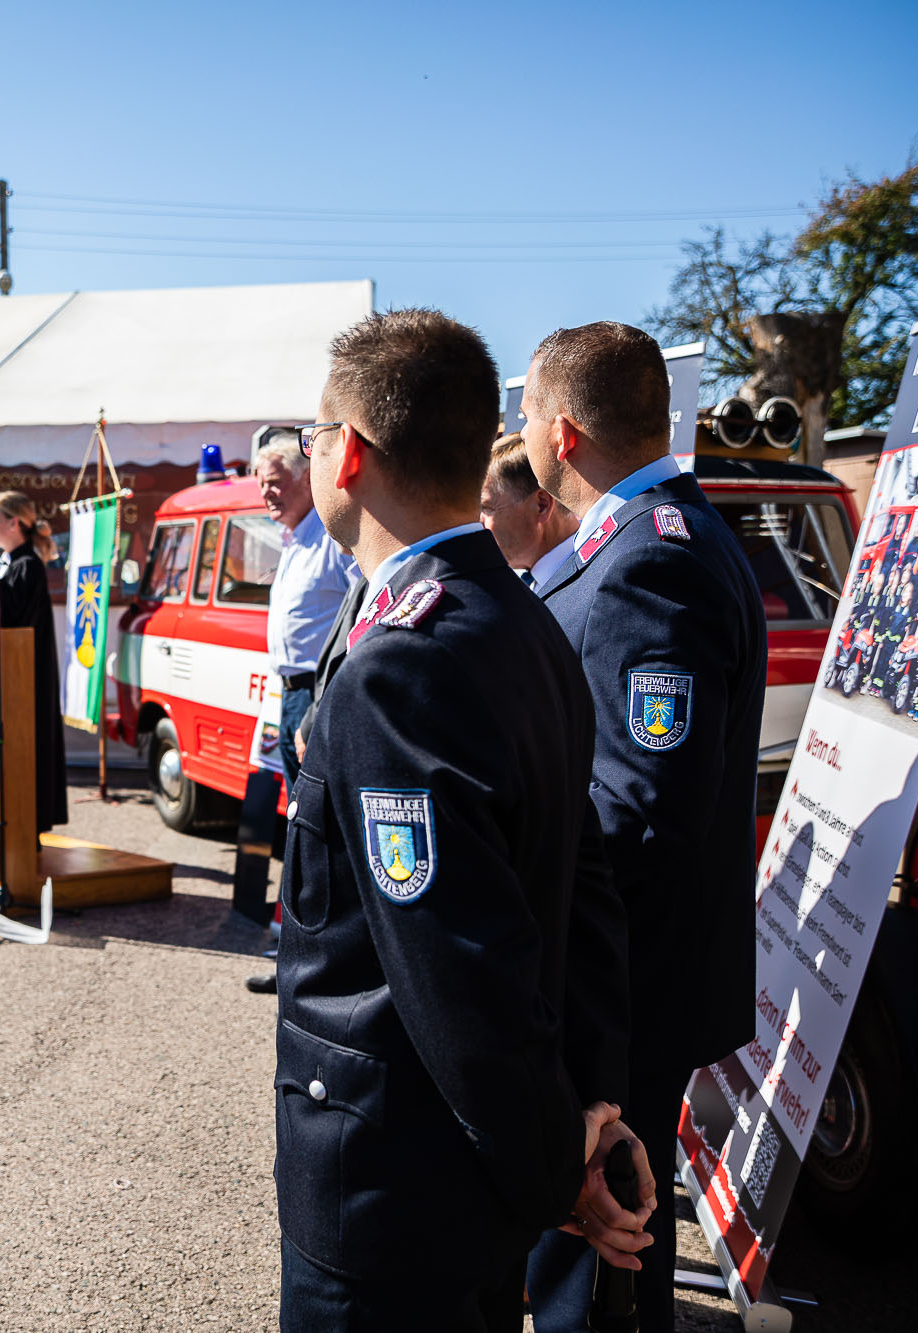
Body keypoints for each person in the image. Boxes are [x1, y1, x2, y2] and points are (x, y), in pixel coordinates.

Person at [276, 308, 648, 1330]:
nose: (308, 453)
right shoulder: (522, 614)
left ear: (347, 453)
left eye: (310, 434)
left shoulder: (404, 660)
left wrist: (559, 1170)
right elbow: (587, 893)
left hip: (390, 1193)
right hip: (463, 1186)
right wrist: (590, 1115)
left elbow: (457, 965)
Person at [519, 321, 767, 1333]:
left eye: (524, 413)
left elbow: (636, 809)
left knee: (592, 1272)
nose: (519, 432)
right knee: (609, 1262)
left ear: (563, 432)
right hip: (635, 976)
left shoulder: (643, 562)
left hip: (616, 991)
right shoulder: (660, 535)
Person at [0, 492, 68, 833]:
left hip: (26, 677)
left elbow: (9, 616)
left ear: (14, 523)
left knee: (29, 752)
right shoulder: (10, 562)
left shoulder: (27, 565)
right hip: (12, 674)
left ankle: (28, 826)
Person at [255, 435, 355, 787]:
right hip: (288, 694)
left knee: (317, 803)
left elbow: (359, 614)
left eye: (274, 483)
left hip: (318, 696)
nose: (266, 493)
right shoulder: (292, 539)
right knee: (299, 803)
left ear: (306, 478)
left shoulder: (330, 537)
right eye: (261, 484)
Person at [480, 431, 579, 591]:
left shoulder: (596, 582)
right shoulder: (514, 584)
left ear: (541, 505)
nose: (479, 523)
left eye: (487, 509)